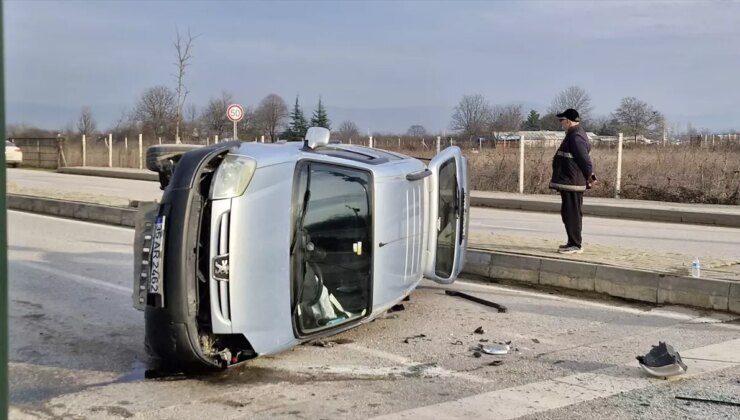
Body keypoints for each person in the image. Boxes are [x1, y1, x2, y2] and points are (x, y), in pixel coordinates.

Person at [549, 108, 596, 254]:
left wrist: (591, 176)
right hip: (569, 181)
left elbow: (584, 160)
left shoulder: (575, 137)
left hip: (572, 182)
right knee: (568, 212)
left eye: (561, 121)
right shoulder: (574, 134)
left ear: (568, 121)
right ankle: (571, 241)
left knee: (572, 213)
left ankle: (576, 244)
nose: (561, 124)